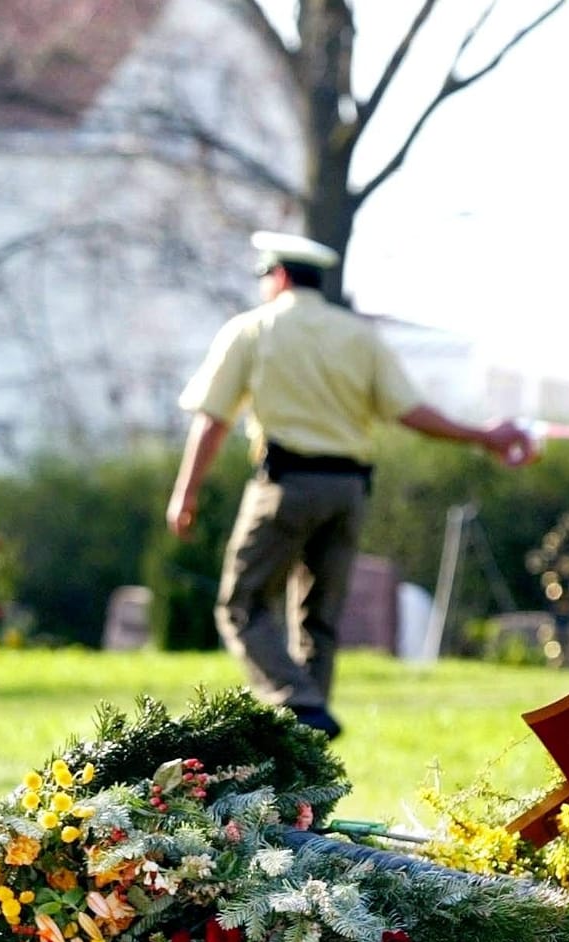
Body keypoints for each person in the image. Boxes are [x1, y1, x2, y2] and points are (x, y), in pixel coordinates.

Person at [165, 231, 537, 740]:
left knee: (242, 603)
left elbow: (212, 420)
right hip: (348, 492)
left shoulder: (253, 329)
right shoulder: (358, 337)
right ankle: (307, 738)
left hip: (286, 484)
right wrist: (484, 436)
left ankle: (297, 700)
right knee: (319, 616)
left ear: (278, 276)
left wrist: (186, 494)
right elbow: (412, 413)